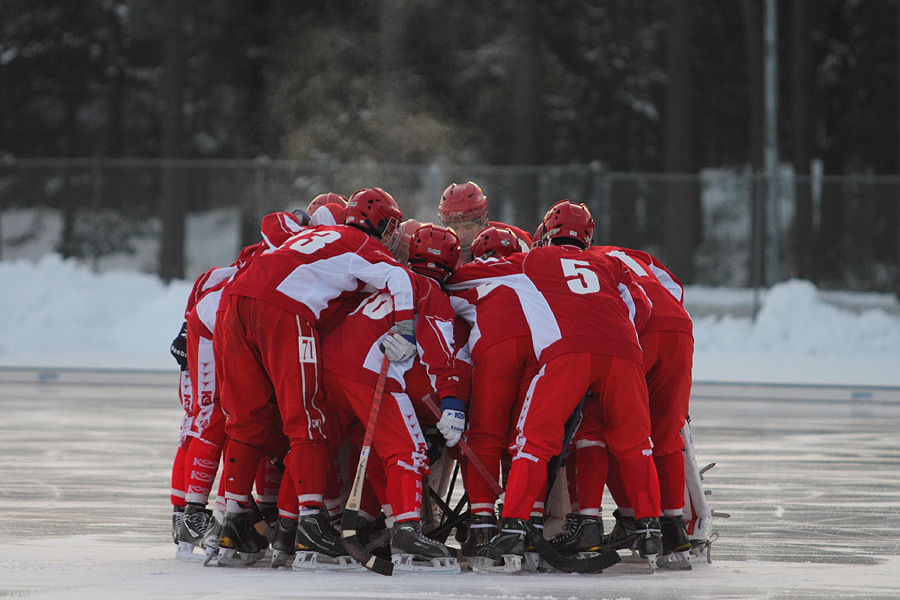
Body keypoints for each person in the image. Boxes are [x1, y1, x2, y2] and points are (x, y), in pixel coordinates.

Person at [446, 199, 662, 573]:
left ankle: (513, 525)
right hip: (624, 351)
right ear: (588, 236)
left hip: (568, 351)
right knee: (635, 444)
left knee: (533, 441)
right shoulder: (608, 263)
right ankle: (651, 528)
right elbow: (640, 305)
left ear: (545, 233)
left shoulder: (533, 260)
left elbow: (466, 279)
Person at [213, 187, 417, 567]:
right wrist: (405, 327)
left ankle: (234, 517)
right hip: (285, 309)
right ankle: (310, 522)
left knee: (244, 420)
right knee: (308, 419)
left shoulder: (310, 234)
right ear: (381, 224)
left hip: (237, 301)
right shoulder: (362, 245)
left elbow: (272, 224)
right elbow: (402, 280)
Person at [316, 223, 464, 573]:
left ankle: (391, 518)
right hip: (367, 371)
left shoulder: (388, 282)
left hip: (331, 364)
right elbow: (440, 354)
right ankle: (407, 531)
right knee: (408, 449)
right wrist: (453, 402)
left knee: (380, 448)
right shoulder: (431, 293)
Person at [553, 244, 694, 570]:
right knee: (666, 432)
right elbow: (674, 288)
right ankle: (674, 532)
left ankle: (587, 523)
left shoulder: (571, 265)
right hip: (678, 327)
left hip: (633, 332)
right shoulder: (626, 254)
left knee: (594, 422)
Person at [444, 224, 537, 563]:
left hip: (497, 346)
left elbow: (440, 293)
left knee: (485, 432)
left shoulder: (471, 274)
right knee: (528, 439)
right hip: (543, 349)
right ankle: (527, 521)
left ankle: (482, 523)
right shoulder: (531, 267)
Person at [437, 182, 531, 262]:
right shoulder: (436, 248)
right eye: (454, 228)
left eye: (468, 227)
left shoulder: (514, 240)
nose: (461, 234)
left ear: (482, 221)